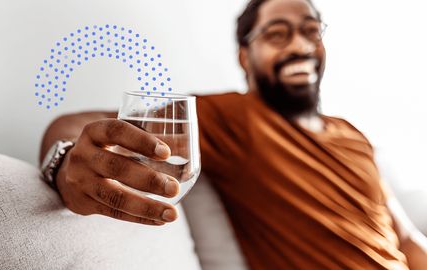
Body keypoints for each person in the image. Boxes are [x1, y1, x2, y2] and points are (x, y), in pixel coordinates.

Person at [39, 0, 427, 268]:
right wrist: (66, 159)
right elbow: (76, 124)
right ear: (245, 57)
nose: (300, 45)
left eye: (312, 31)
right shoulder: (228, 117)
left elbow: (407, 240)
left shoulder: (354, 135)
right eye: (278, 34)